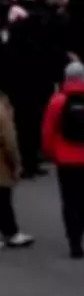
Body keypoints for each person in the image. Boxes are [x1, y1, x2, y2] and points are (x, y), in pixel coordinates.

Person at [41, 60, 84, 257]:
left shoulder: (57, 101)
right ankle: (80, 231)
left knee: (68, 199)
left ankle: (73, 238)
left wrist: (50, 153)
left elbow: (48, 131)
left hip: (64, 157)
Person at [0, 80, 34, 248]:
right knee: (4, 198)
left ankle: (9, 231)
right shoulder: (2, 111)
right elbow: (10, 141)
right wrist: (17, 163)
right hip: (1, 164)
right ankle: (10, 232)